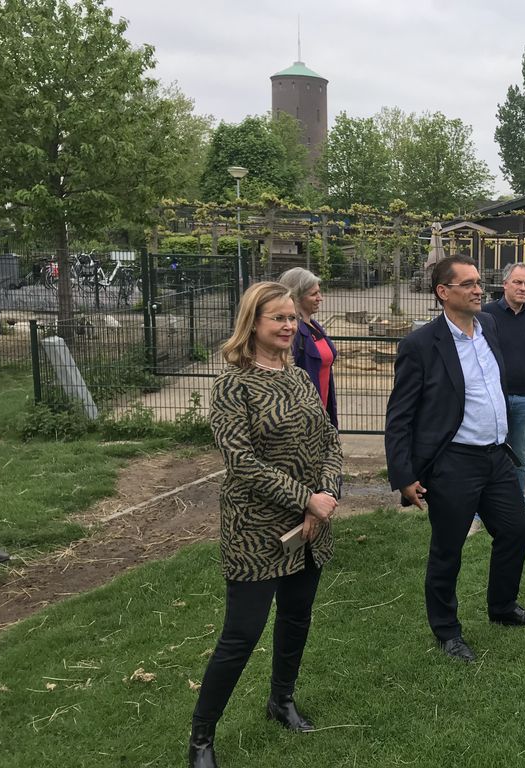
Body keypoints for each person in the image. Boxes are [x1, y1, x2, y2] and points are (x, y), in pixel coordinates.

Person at [188, 282, 342, 768]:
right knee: (242, 635)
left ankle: (281, 700)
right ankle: (201, 739)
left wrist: (326, 494)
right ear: (253, 322)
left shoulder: (297, 377)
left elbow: (329, 440)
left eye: (292, 318)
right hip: (254, 529)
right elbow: (242, 462)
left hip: (308, 524)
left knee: (297, 618)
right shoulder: (233, 383)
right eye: (278, 318)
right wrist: (307, 499)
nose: (288, 326)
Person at [384, 254, 525, 663]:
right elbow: (399, 416)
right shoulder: (420, 344)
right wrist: (403, 475)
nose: (479, 290)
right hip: (453, 463)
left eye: (480, 282)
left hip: (496, 458)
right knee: (448, 549)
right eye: (469, 284)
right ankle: (447, 631)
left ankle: (502, 608)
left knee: (516, 531)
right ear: (444, 292)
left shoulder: (488, 326)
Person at [475, 262, 525, 533]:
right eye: (517, 282)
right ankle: (477, 517)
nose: (522, 288)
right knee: (485, 457)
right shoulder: (485, 314)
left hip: (523, 401)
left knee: (518, 458)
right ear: (505, 284)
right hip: (490, 401)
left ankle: (520, 510)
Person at [278, 267, 339, 428]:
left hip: (323, 408)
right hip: (303, 417)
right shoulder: (291, 333)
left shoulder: (314, 326)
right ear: (295, 297)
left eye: (319, 292)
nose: (320, 298)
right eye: (313, 294)